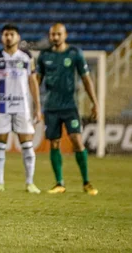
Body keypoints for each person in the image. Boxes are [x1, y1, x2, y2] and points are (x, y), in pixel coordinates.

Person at [0, 24, 42, 194]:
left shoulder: (26, 57)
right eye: (6, 34)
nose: (9, 37)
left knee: (26, 143)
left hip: (22, 106)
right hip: (2, 106)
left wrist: (38, 107)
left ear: (18, 37)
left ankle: (30, 183)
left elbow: (33, 82)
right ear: (2, 37)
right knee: (0, 143)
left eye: (12, 34)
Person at [37, 23, 99, 196]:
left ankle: (86, 182)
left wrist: (95, 102)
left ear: (65, 35)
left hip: (70, 106)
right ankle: (59, 183)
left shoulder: (74, 53)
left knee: (77, 140)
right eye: (52, 34)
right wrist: (34, 104)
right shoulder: (44, 55)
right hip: (51, 107)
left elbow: (86, 80)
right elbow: (37, 82)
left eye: (58, 34)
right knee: (54, 142)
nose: (55, 37)